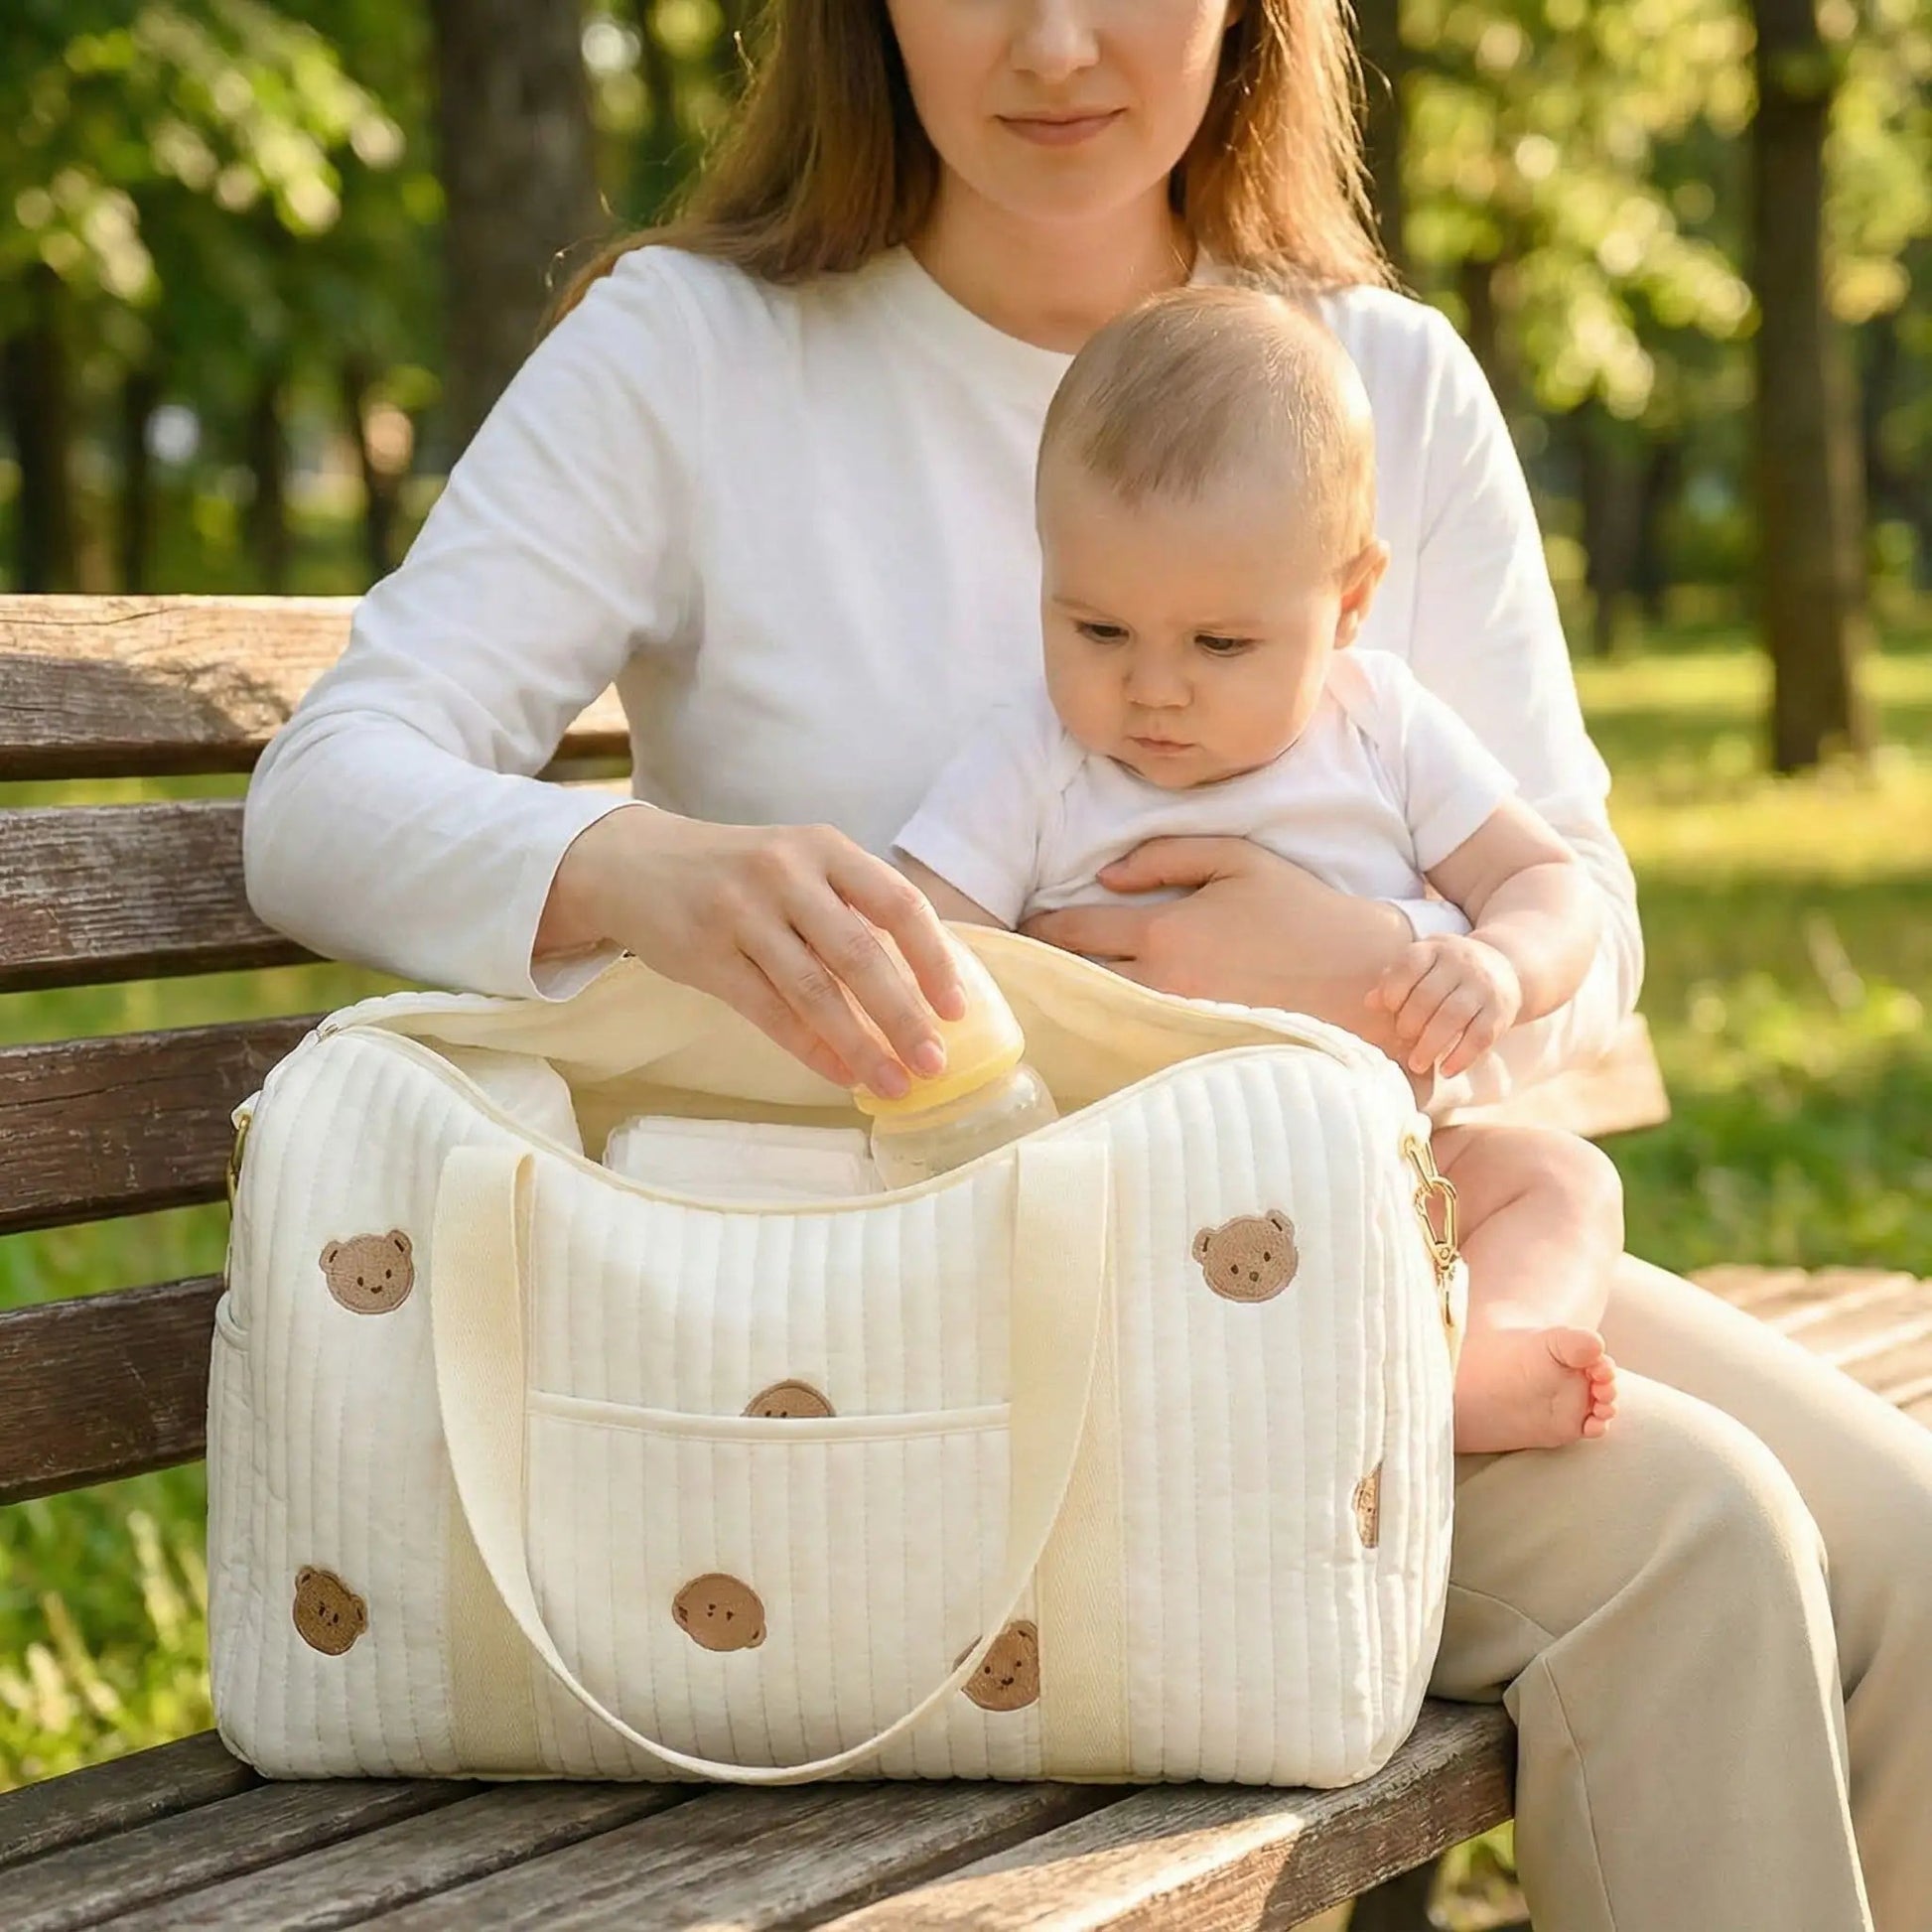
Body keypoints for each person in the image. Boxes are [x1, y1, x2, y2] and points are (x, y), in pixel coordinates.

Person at [240, 0, 1932, 1918]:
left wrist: (1367, 954)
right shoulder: (696, 354)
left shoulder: (1376, 376)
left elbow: (1583, 916)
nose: (1054, 43)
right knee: (1694, 1540)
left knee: (1912, 1555)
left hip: (1359, 1235)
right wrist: (639, 870)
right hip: (931, 1310)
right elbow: (322, 796)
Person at [893, 284, 1621, 1452]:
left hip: (1382, 1173)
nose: (1153, 687)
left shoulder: (1383, 725)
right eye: (1096, 631)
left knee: (1558, 1183)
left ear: (1348, 602)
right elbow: (925, 936)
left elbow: (1549, 882)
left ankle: (1472, 1360)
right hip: (1122, 1188)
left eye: (1220, 644)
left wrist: (1491, 964)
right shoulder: (1034, 754)